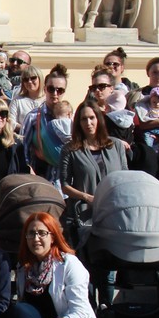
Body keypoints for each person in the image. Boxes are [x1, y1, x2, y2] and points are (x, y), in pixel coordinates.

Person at [1, 212, 104, 318]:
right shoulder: (24, 266)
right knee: (17, 311)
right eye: (31, 233)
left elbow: (79, 315)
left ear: (53, 236)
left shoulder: (69, 264)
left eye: (42, 233)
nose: (36, 238)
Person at [57, 101, 129, 243]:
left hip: (114, 213)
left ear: (99, 119)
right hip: (85, 216)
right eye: (84, 119)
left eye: (92, 118)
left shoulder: (116, 145)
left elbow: (125, 178)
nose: (88, 123)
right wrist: (86, 197)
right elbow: (65, 185)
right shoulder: (70, 150)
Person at [8, 65, 44, 133]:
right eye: (26, 79)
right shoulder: (17, 100)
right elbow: (10, 121)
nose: (29, 81)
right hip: (23, 139)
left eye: (33, 78)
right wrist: (26, 128)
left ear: (40, 78)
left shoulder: (48, 99)